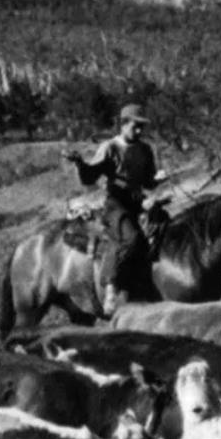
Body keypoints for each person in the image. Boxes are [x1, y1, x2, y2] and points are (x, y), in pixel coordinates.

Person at [63, 102, 169, 311]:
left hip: (138, 202)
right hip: (116, 204)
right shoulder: (110, 148)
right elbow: (90, 177)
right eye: (134, 126)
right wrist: (80, 163)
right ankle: (111, 286)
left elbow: (148, 182)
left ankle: (149, 283)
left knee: (164, 224)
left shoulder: (145, 149)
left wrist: (158, 180)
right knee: (132, 238)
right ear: (123, 124)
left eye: (141, 127)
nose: (139, 131)